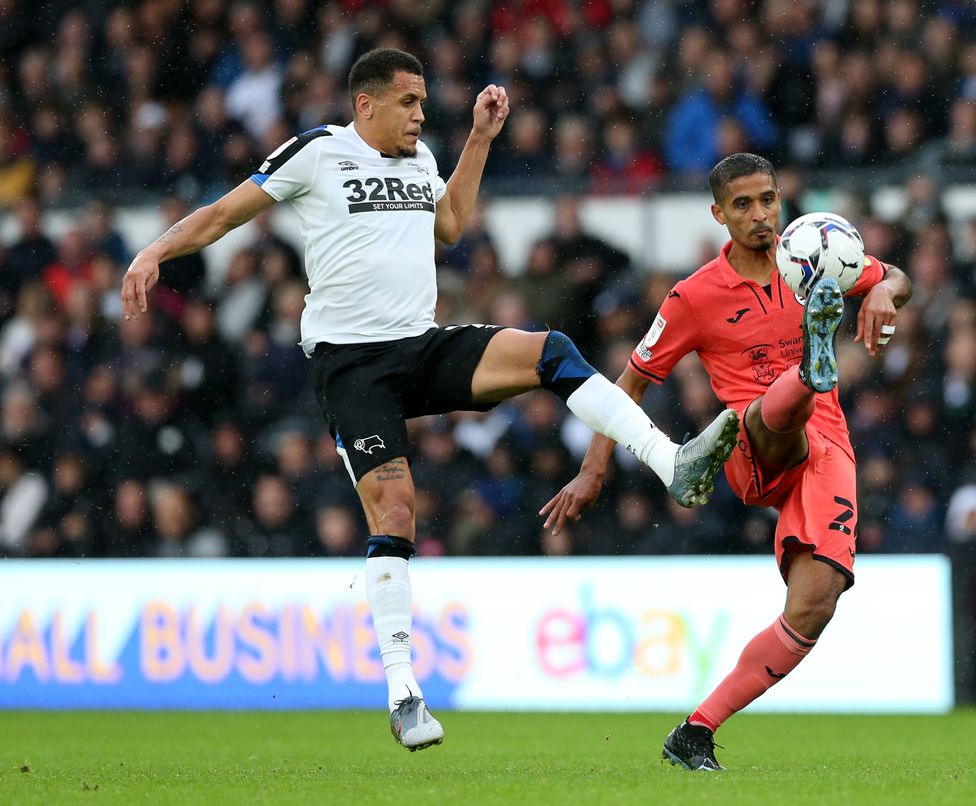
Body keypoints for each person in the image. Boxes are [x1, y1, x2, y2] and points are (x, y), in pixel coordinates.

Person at [120, 49, 739, 752]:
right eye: (409, 102)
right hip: (352, 367)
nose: (421, 113)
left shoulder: (420, 161)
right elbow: (223, 214)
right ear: (367, 105)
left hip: (418, 345)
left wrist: (477, 140)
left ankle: (672, 463)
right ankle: (403, 691)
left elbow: (449, 225)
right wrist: (152, 254)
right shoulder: (320, 152)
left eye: (422, 102)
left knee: (550, 352)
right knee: (396, 511)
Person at [541, 153, 913, 770]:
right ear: (718, 214)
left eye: (767, 199)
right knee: (772, 415)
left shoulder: (816, 257)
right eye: (742, 204)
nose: (760, 215)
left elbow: (896, 276)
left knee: (814, 605)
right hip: (750, 445)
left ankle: (695, 731)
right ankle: (808, 370)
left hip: (828, 450)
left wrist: (883, 297)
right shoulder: (693, 297)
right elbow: (628, 384)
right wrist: (594, 467)